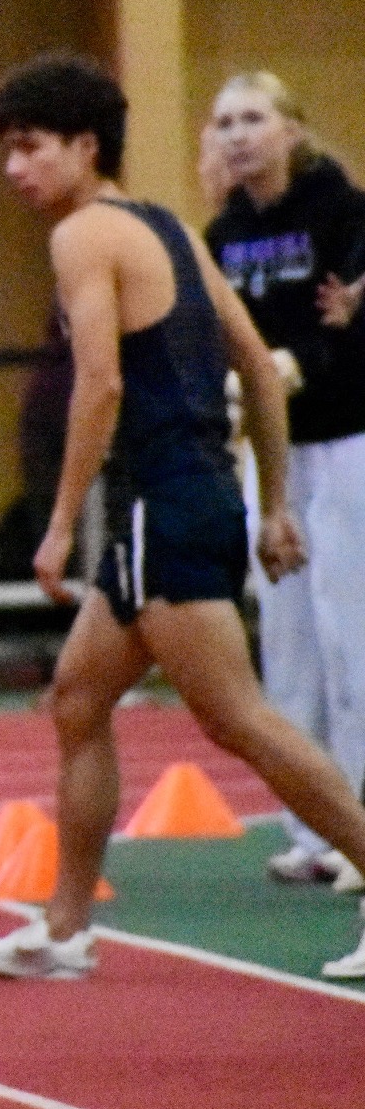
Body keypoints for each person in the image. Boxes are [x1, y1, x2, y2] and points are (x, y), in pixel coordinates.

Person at [0, 53, 365, 982]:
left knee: (239, 719)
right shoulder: (173, 229)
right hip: (196, 500)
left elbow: (97, 381)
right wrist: (271, 503)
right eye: (6, 152)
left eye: (30, 148)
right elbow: (260, 369)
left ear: (86, 146)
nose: (14, 170)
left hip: (163, 506)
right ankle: (65, 928)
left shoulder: (85, 236)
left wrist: (58, 522)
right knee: (78, 697)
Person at [201, 72, 365, 885]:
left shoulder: (341, 210)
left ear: (292, 129)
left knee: (350, 637)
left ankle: (361, 826)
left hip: (345, 437)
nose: (237, 135)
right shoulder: (223, 233)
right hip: (271, 452)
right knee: (290, 643)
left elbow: (345, 326)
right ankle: (313, 825)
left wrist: (295, 363)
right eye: (224, 121)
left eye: (253, 118)